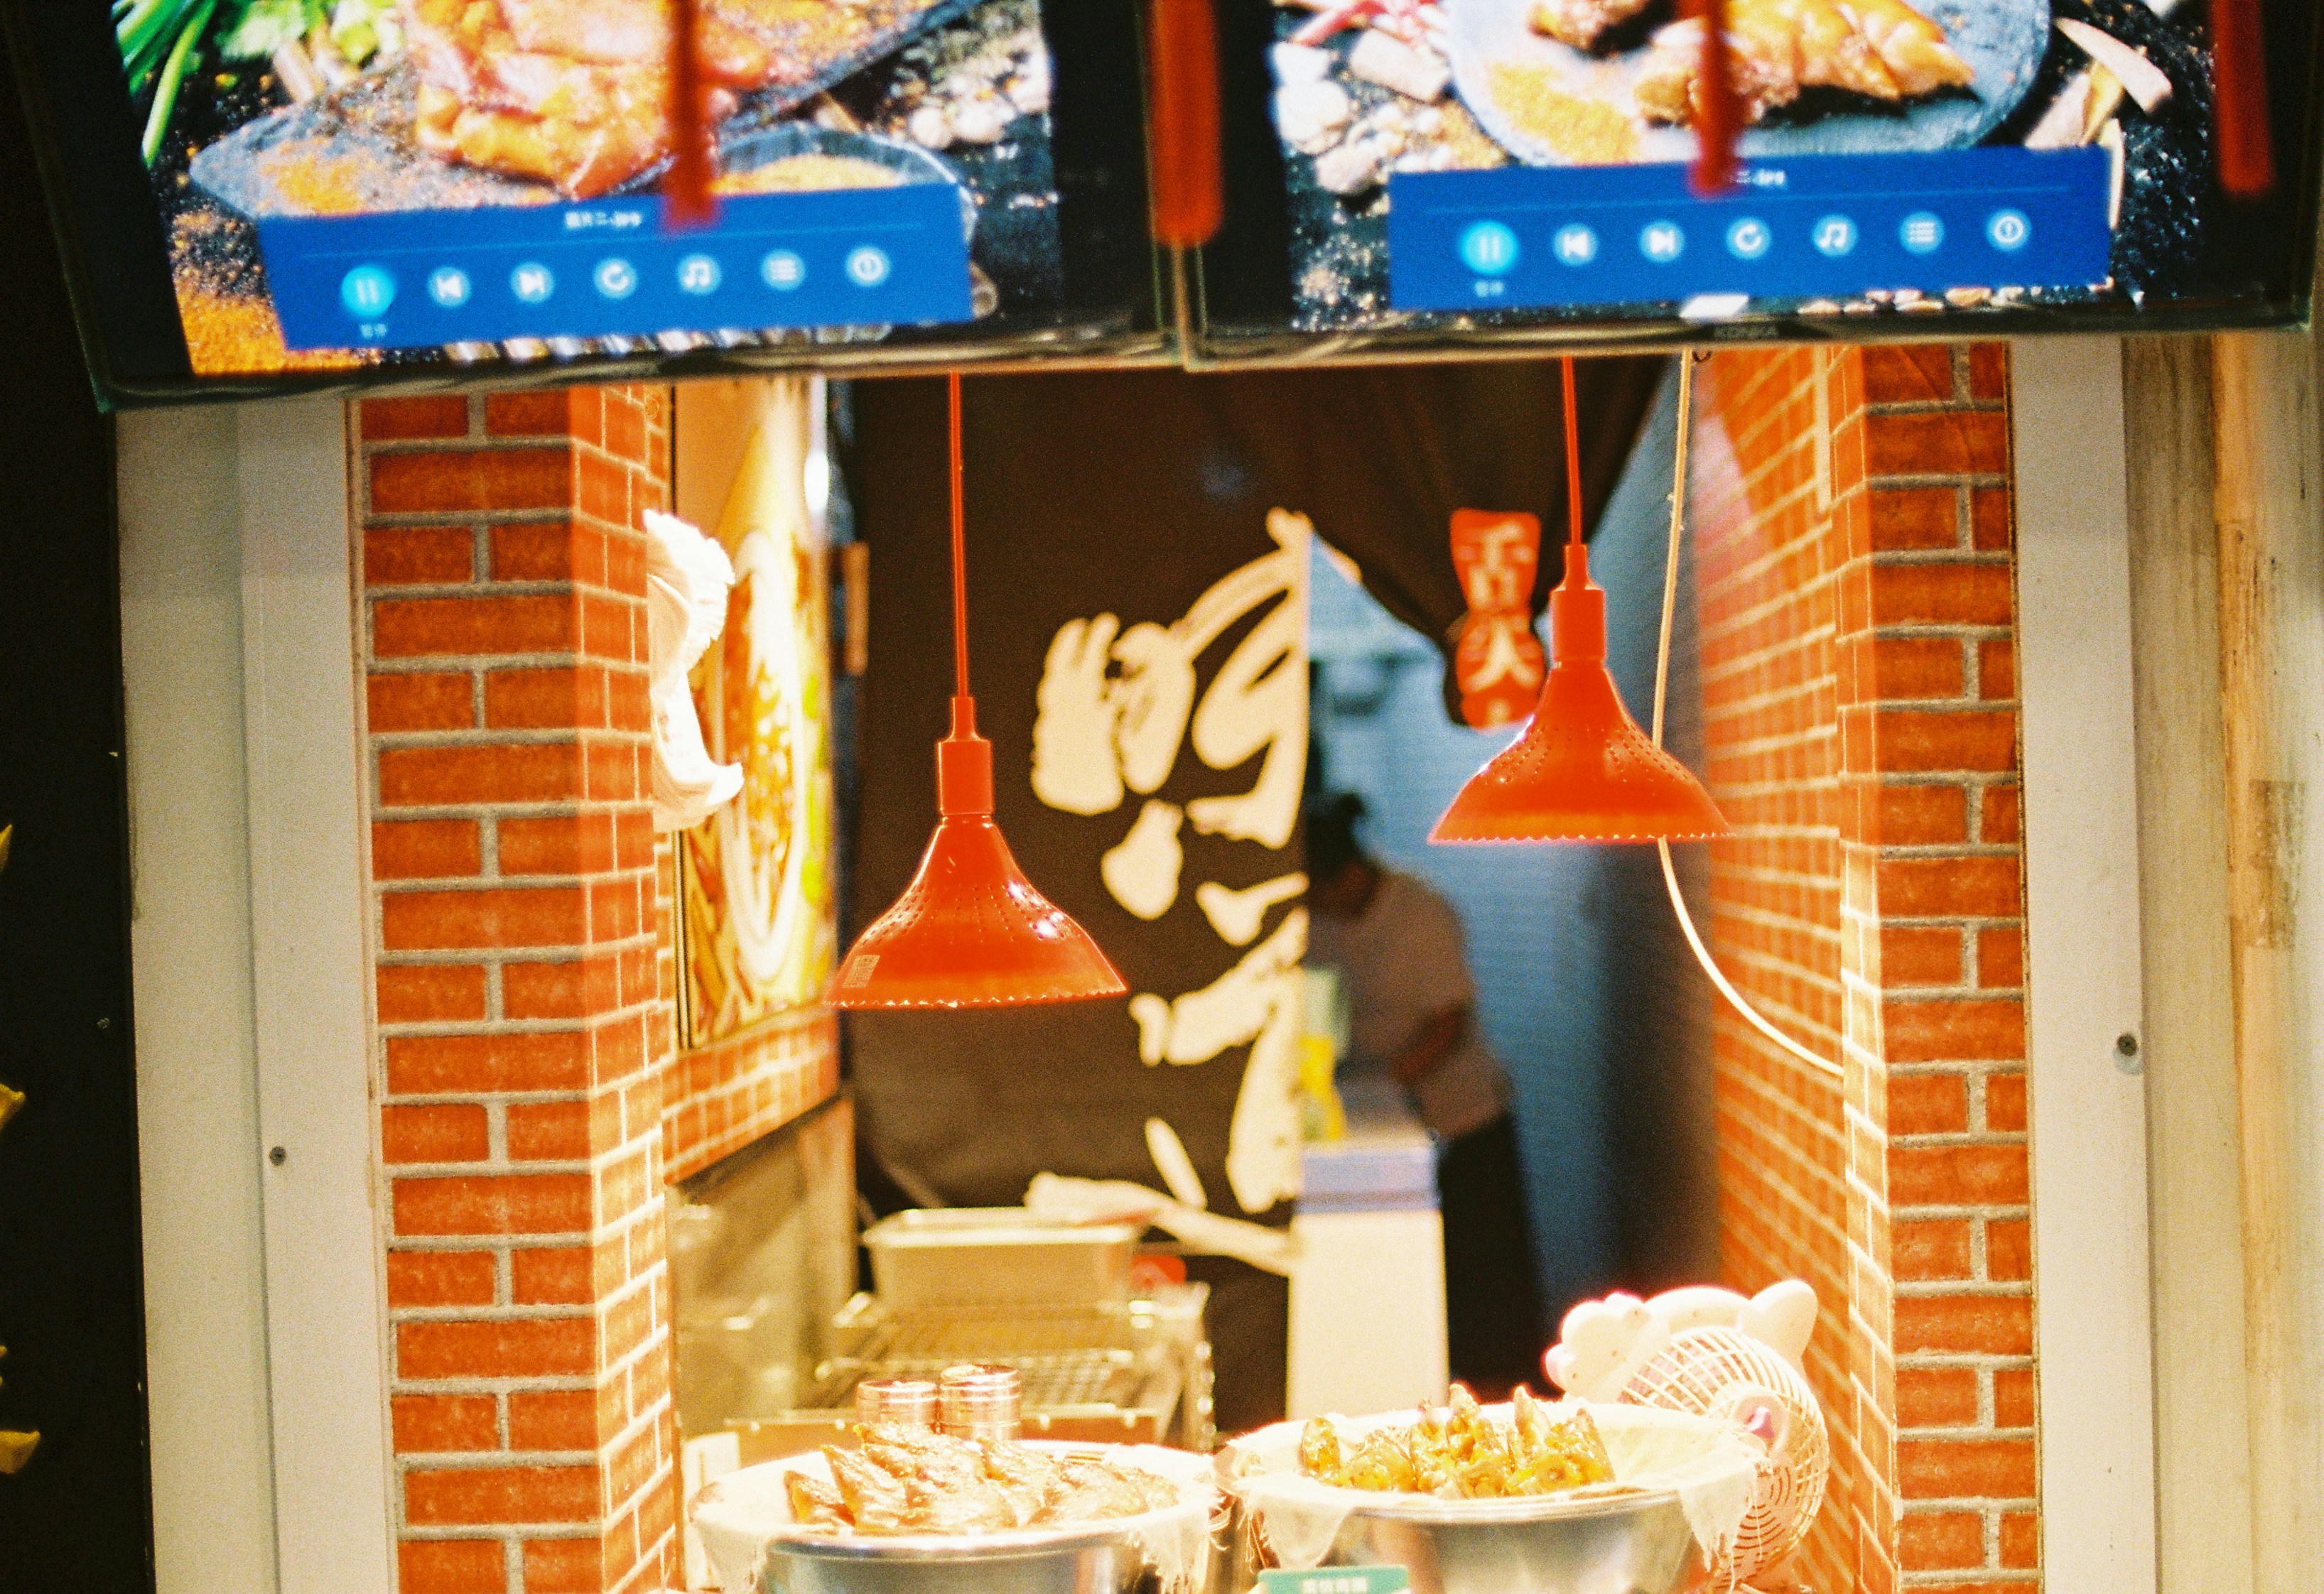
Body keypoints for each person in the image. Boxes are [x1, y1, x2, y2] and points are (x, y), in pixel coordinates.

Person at [1303, 792, 1543, 1396]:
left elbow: (1448, 1022)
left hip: (1463, 1114)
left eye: (1322, 890)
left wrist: (1383, 1085)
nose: (1317, 904)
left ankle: (1500, 1394)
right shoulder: (1312, 924)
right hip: (1376, 1103)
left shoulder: (1420, 912)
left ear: (1350, 873)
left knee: (1485, 1276)